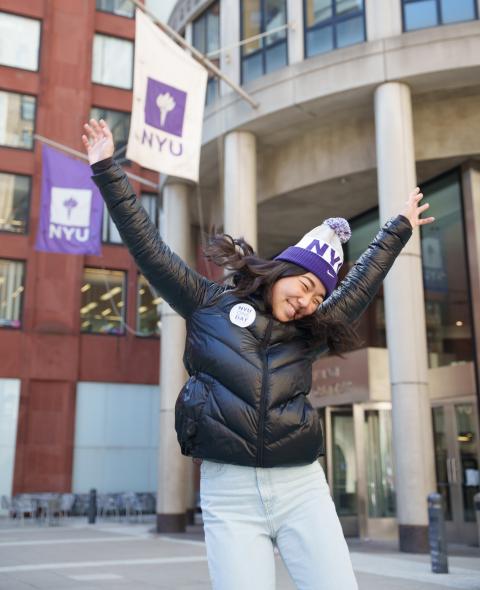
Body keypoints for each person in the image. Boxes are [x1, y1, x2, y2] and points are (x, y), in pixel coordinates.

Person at [82, 118, 435, 590]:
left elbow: (361, 285)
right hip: (230, 492)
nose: (308, 303)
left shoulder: (308, 332)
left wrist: (398, 229)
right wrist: (107, 169)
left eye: (317, 298)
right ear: (286, 269)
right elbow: (150, 250)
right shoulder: (208, 304)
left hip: (301, 487)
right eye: (307, 286)